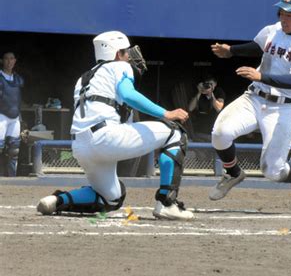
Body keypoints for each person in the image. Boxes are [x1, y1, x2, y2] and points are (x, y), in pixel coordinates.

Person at [37, 31, 194, 220]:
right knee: (175, 132)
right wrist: (166, 113)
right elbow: (127, 94)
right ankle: (167, 204)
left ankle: (57, 201)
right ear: (117, 53)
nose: (129, 57)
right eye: (126, 52)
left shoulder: (84, 78)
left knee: (111, 198)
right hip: (106, 137)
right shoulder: (119, 66)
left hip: (81, 146)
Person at [209, 0, 291, 213]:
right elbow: (257, 46)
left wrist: (261, 76)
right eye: (282, 12)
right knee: (220, 133)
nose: (283, 17)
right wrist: (230, 51)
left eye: (290, 14)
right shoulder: (274, 30)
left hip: (282, 107)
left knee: (272, 171)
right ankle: (233, 173)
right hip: (255, 97)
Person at [188, 75, 226, 167]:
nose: (208, 86)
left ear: (215, 84)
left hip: (213, 130)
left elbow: (218, 108)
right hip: (199, 130)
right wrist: (199, 92)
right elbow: (190, 108)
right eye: (206, 84)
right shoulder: (200, 92)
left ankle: (213, 168)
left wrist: (211, 94)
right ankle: (201, 168)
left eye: (210, 84)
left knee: (213, 153)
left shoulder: (218, 92)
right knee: (200, 153)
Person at [0, 52, 24, 177]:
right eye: (6, 59)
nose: (9, 61)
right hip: (1, 115)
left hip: (14, 117)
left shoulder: (18, 79)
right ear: (2, 60)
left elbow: (18, 98)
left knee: (14, 150)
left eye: (11, 59)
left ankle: (12, 178)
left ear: (15, 61)